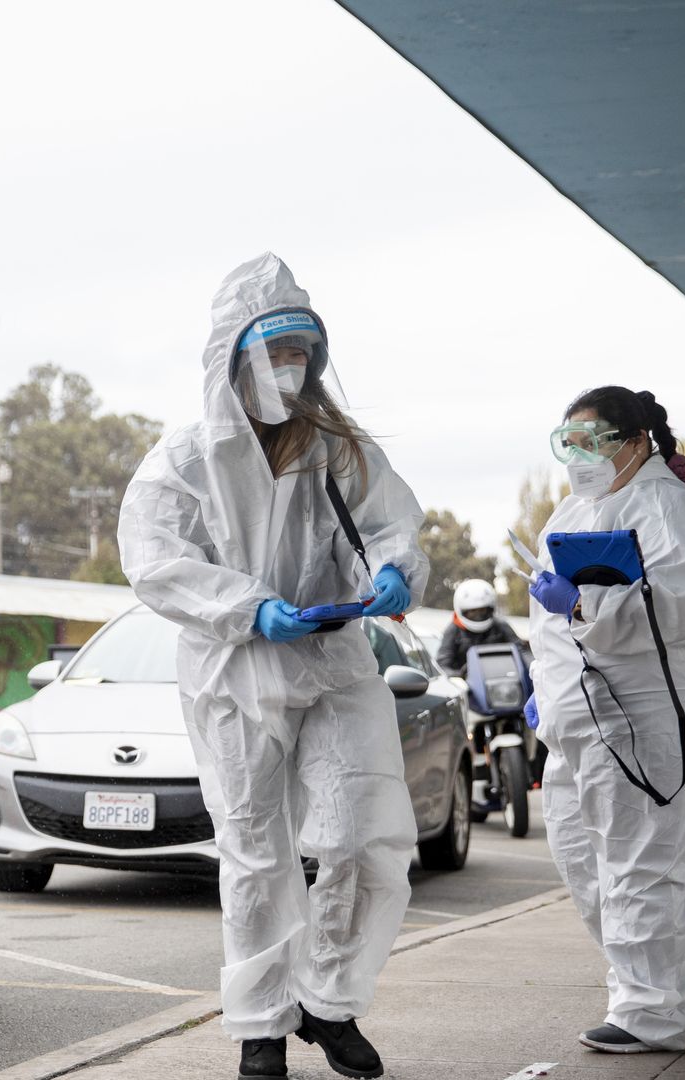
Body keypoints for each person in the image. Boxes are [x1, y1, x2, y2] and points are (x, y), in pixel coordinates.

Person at [119, 252, 427, 1080]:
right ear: (234, 357)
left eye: (300, 353)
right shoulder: (185, 460)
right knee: (256, 850)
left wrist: (392, 572)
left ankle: (329, 999)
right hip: (237, 671)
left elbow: (388, 528)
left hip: (333, 659)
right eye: (274, 352)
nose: (289, 368)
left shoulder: (336, 448)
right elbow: (152, 561)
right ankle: (261, 1024)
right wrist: (248, 608)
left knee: (360, 832)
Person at [524, 386, 685, 1054]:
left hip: (651, 714)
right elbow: (548, 625)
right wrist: (544, 690)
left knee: (640, 861)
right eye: (569, 444)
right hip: (578, 720)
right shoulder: (572, 510)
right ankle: (679, 965)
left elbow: (678, 605)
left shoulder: (672, 506)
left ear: (637, 441)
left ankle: (651, 1010)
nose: (579, 457)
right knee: (581, 859)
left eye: (593, 441)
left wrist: (582, 605)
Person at [436, 578, 524, 677]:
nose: (478, 615)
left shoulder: (501, 626)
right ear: (462, 611)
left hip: (501, 681)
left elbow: (522, 653)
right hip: (466, 684)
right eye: (472, 611)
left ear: (490, 609)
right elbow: (442, 665)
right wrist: (460, 676)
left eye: (482, 610)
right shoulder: (453, 631)